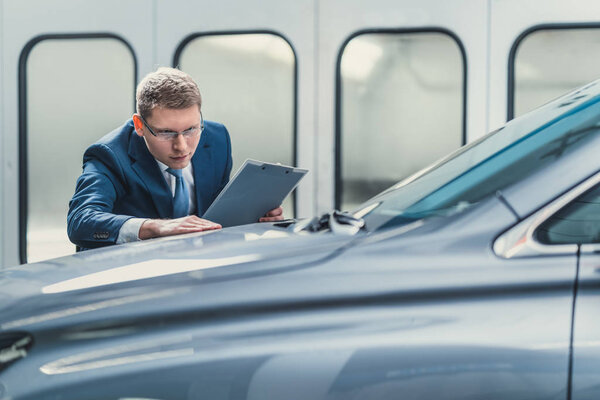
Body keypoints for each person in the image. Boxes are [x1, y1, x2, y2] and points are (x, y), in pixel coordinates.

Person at [67, 67, 283, 250]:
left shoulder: (216, 140)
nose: (181, 145)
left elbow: (216, 215)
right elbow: (81, 220)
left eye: (191, 129)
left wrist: (254, 217)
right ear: (139, 125)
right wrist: (154, 228)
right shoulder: (110, 154)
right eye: (166, 133)